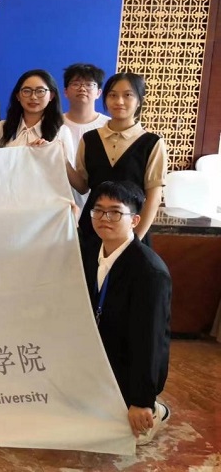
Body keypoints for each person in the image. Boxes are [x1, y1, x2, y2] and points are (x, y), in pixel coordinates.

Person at [80, 180, 171, 445]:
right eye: (98, 210)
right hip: (99, 358)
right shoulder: (90, 254)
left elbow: (149, 341)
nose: (104, 218)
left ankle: (156, 409)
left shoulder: (149, 272)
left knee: (121, 439)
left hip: (129, 365)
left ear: (134, 220)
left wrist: (141, 400)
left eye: (115, 212)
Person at [67, 72, 167, 243]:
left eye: (127, 95)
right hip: (93, 229)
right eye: (113, 95)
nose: (119, 101)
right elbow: (82, 186)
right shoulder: (90, 139)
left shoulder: (152, 143)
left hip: (131, 230)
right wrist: (62, 159)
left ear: (139, 100)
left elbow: (154, 197)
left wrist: (134, 242)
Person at [0, 69, 75, 164]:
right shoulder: (1, 128)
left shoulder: (61, 132)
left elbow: (69, 171)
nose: (33, 97)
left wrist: (50, 153)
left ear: (51, 96)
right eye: (27, 91)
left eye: (40, 91)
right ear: (18, 96)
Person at [62, 63, 111, 212]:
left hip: (99, 205)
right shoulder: (53, 124)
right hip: (60, 203)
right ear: (65, 92)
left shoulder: (109, 126)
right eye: (76, 83)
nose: (82, 88)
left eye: (89, 84)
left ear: (99, 92)